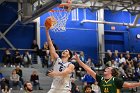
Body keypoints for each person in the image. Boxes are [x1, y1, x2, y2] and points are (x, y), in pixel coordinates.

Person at [75, 53, 140, 93]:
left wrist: (139, 84)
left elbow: (129, 85)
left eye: (108, 68)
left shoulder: (115, 80)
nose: (106, 68)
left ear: (111, 72)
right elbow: (89, 70)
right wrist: (79, 61)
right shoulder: (100, 79)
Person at [45, 25, 75, 93]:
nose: (64, 51)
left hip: (64, 89)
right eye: (64, 50)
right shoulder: (57, 59)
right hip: (54, 88)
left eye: (66, 51)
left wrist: (54, 73)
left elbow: (65, 73)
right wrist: (47, 31)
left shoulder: (70, 65)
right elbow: (50, 45)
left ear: (69, 55)